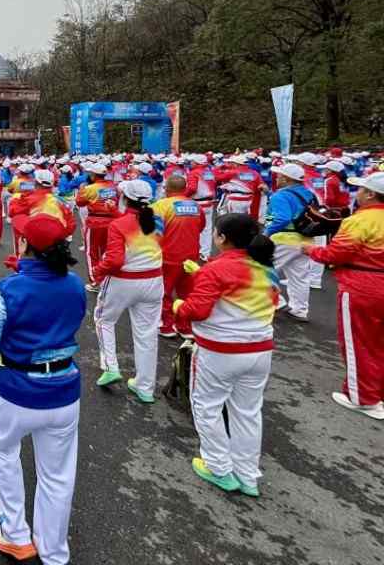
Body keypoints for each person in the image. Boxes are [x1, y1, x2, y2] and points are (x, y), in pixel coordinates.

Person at [0, 214, 86, 565]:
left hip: (17, 390)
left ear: (25, 245)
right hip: (65, 390)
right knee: (57, 475)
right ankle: (54, 552)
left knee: (5, 455)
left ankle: (16, 535)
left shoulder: (7, 290)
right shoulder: (76, 285)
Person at [174, 214, 278, 497]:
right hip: (259, 350)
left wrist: (179, 307)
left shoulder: (217, 269)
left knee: (207, 407)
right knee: (248, 412)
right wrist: (202, 274)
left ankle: (218, 467)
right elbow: (245, 297)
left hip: (220, 351)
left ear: (221, 238)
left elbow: (197, 310)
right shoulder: (266, 268)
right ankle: (247, 475)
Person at [304, 172, 384, 419]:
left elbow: (335, 255)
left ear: (370, 194)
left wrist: (312, 250)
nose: (356, 193)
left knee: (359, 341)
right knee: (378, 341)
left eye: (360, 189)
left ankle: (363, 398)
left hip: (363, 285)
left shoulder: (360, 221)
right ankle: (376, 390)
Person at [91, 180, 164, 403]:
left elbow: (114, 260)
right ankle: (145, 387)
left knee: (104, 320)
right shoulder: (158, 222)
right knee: (147, 335)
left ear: (125, 198)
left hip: (123, 281)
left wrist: (97, 271)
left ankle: (111, 366)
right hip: (153, 280)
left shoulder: (119, 224)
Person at [151, 175, 205, 339]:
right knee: (187, 292)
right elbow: (201, 226)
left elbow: (155, 233)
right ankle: (185, 326)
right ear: (184, 188)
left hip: (168, 256)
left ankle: (167, 326)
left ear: (167, 189)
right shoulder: (196, 206)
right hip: (191, 256)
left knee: (164, 292)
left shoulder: (160, 206)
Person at [264, 163, 316, 322]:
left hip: (283, 239)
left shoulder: (280, 195)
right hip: (306, 239)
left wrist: (266, 233)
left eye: (279, 176)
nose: (276, 178)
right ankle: (299, 310)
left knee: (263, 271)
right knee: (300, 276)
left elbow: (282, 218)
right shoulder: (309, 194)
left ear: (286, 179)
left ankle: (274, 303)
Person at [75, 164, 119, 291]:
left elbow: (79, 202)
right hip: (111, 221)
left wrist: (82, 189)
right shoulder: (113, 187)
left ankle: (95, 281)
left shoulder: (89, 188)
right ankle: (107, 278)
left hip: (95, 222)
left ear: (93, 175)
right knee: (107, 251)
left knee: (91, 252)